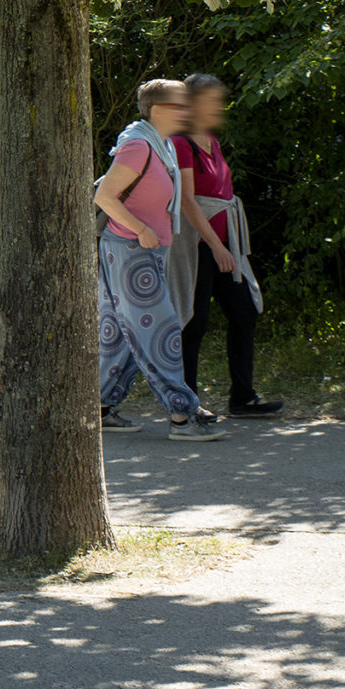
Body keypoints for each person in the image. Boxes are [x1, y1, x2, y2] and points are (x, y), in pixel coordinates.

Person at [94, 79, 220, 441]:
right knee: (160, 331)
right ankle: (182, 416)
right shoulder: (137, 146)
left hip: (142, 251)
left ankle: (100, 407)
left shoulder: (160, 143)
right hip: (131, 250)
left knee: (119, 334)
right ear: (161, 110)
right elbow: (105, 196)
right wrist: (141, 230)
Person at [177, 73, 281, 417]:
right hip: (196, 244)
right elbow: (188, 201)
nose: (216, 107)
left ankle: (242, 397)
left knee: (244, 310)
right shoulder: (180, 143)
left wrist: (227, 245)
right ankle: (186, 404)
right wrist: (215, 246)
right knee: (194, 322)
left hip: (224, 241)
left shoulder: (210, 140)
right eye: (210, 101)